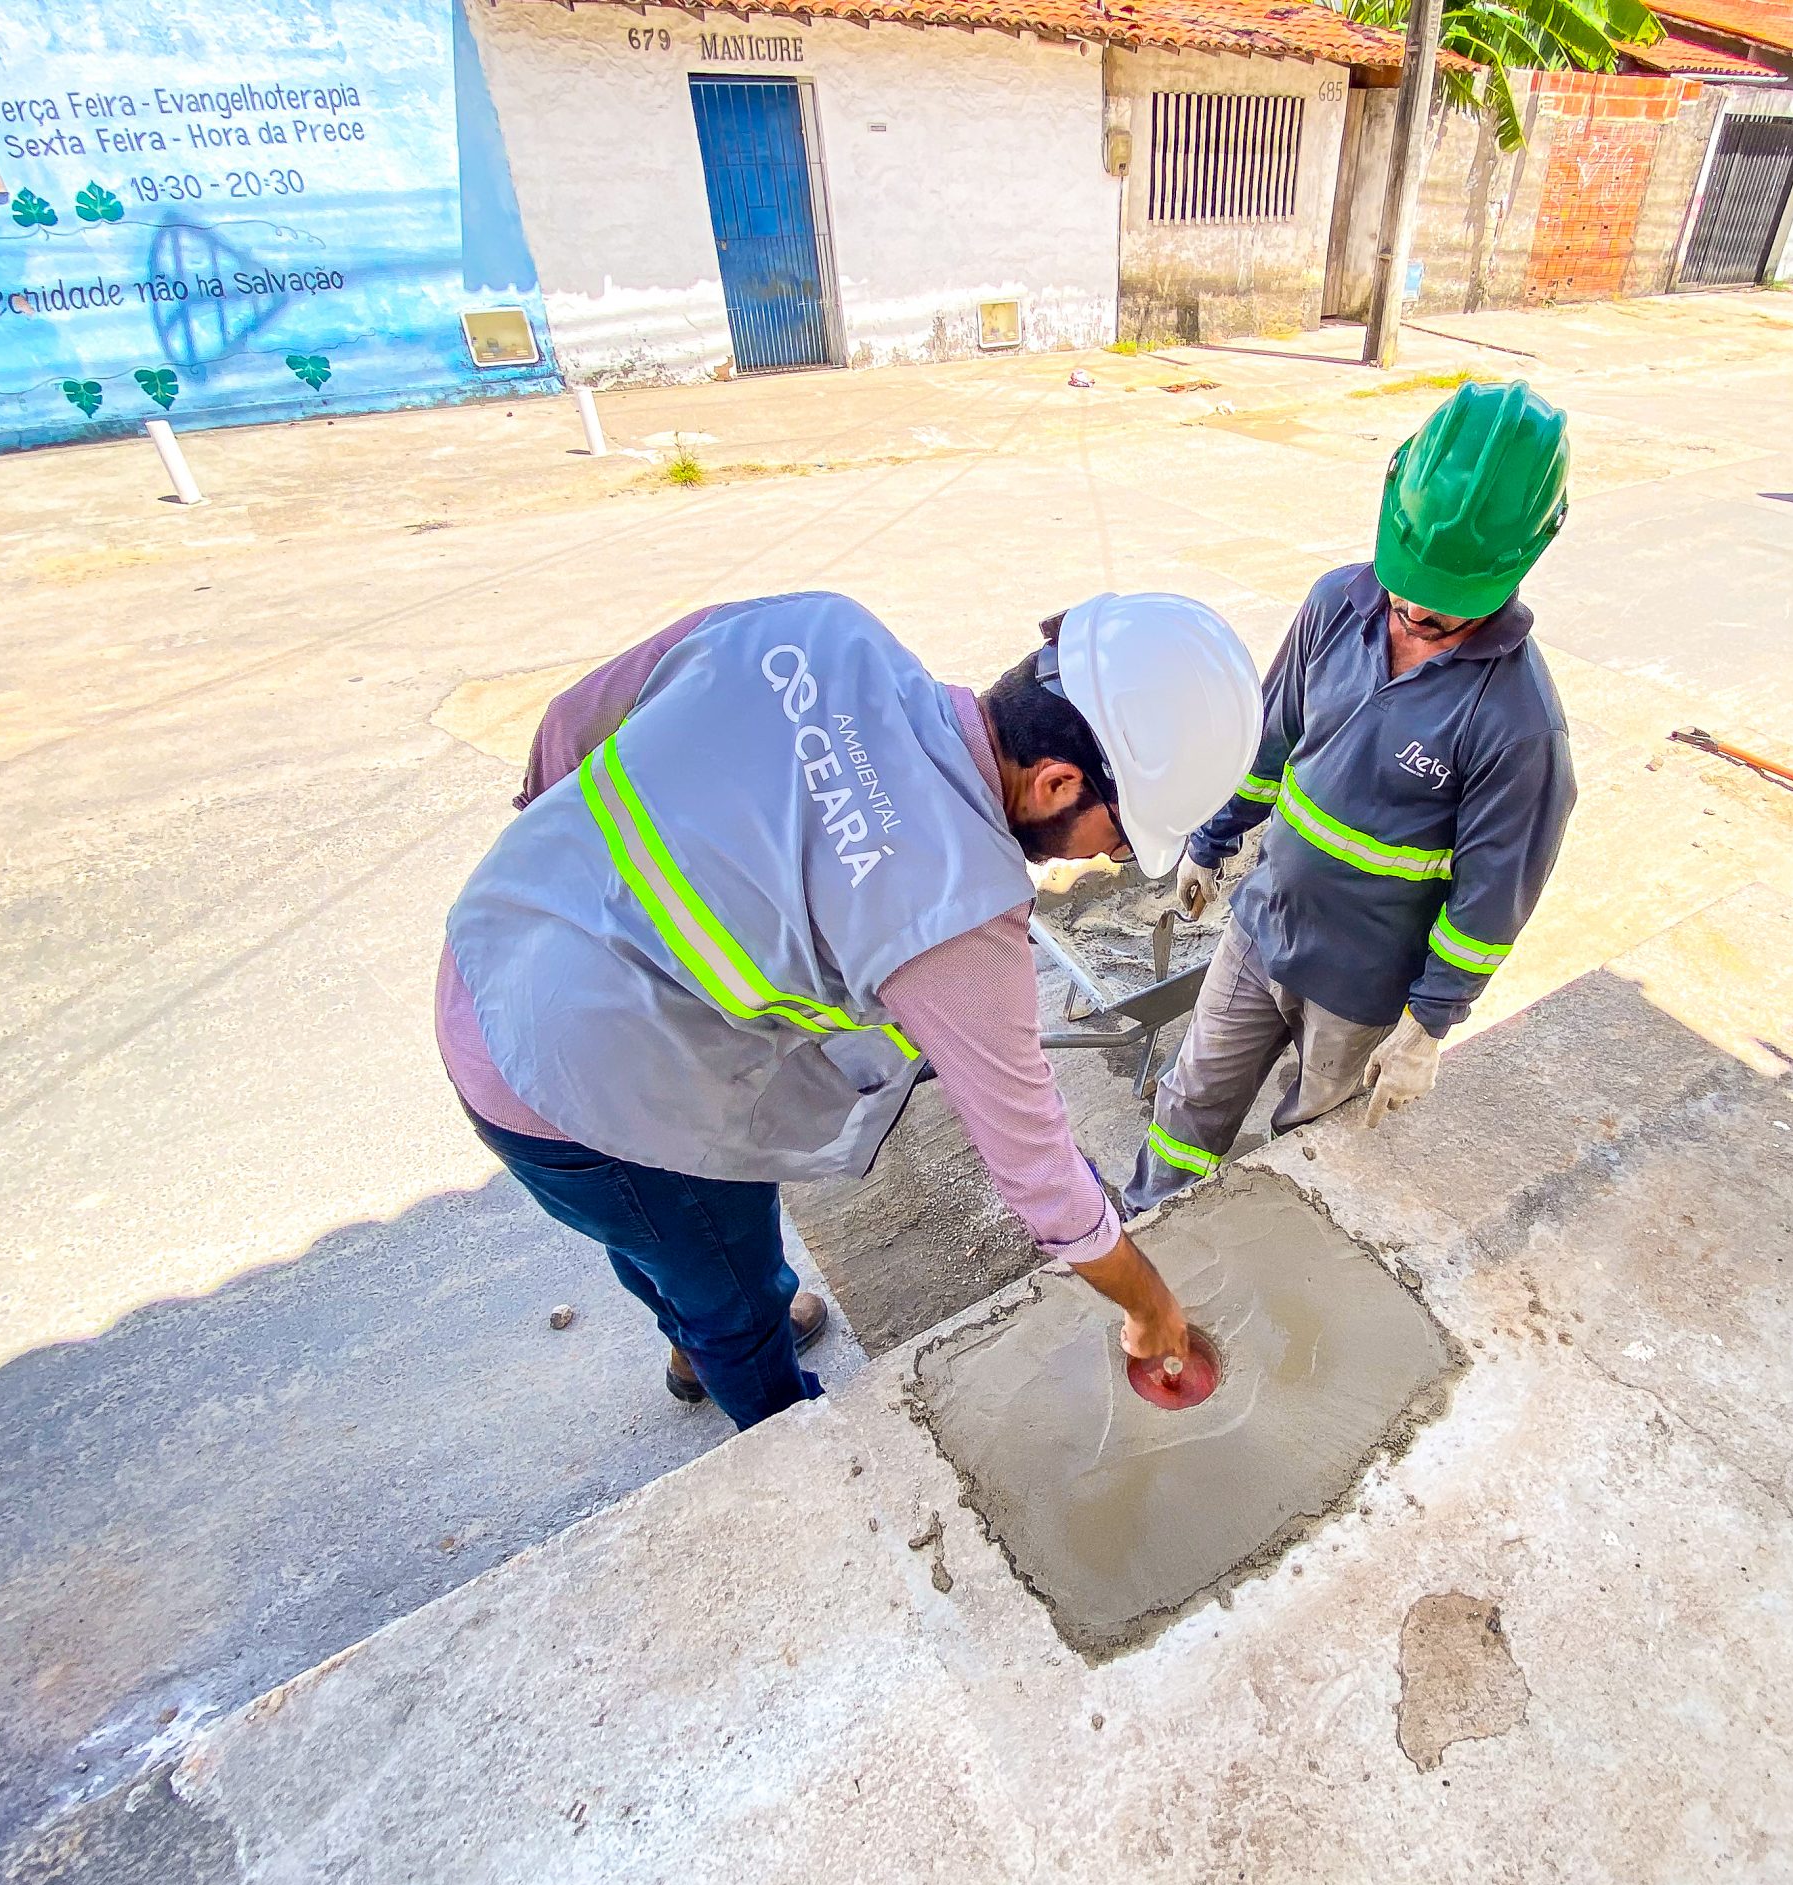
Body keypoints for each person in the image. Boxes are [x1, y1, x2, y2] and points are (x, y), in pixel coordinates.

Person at [436, 590, 1262, 1427]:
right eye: (1120, 839)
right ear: (1058, 783)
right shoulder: (956, 914)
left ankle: (697, 1326)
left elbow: (570, 725)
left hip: (490, 943)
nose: (1109, 860)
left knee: (663, 1239)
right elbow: (1041, 1177)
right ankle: (769, 1406)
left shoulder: (816, 631)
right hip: (569, 1088)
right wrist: (1150, 1306)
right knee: (712, 1263)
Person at [1121, 379, 1577, 1214]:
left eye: (1438, 617)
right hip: (1262, 931)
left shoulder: (1520, 726)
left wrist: (1430, 1024)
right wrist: (1215, 839)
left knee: (1312, 1151)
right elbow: (1272, 737)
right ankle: (1148, 1224)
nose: (1405, 614)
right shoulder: (1340, 601)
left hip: (1364, 990)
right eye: (1401, 586)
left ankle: (1278, 1262)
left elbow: (1492, 900)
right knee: (1191, 1106)